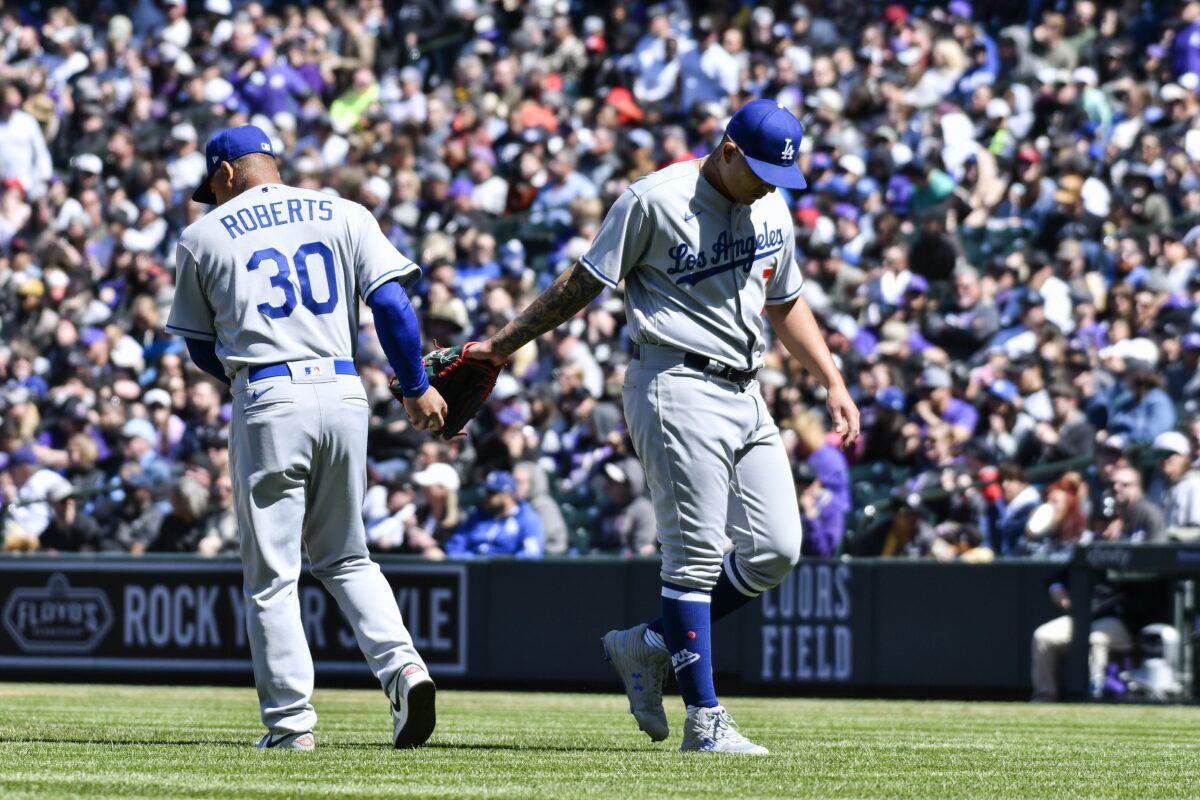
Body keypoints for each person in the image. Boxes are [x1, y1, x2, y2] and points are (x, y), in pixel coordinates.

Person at [466, 100, 860, 753]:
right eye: (760, 169)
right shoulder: (653, 200)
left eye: (780, 174)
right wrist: (505, 344)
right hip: (674, 381)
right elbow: (580, 285)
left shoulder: (771, 205)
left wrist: (833, 381)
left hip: (746, 387)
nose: (769, 184)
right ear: (728, 150)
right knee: (696, 556)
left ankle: (648, 644)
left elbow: (786, 302)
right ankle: (704, 722)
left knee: (776, 551)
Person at [165, 125, 441, 751]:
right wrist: (415, 383)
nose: (210, 194)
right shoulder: (344, 211)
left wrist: (251, 371)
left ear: (227, 172)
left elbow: (201, 346)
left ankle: (291, 726)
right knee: (347, 556)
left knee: (272, 575)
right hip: (344, 388)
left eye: (212, 183)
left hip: (268, 393)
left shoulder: (202, 234)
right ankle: (404, 669)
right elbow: (393, 306)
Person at [443, 470, 545, 558]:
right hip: (472, 573)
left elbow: (531, 553)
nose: (486, 497)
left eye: (492, 493)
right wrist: (470, 561)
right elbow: (455, 545)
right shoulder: (477, 516)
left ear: (507, 495)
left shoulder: (526, 518)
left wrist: (503, 566)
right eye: (486, 492)